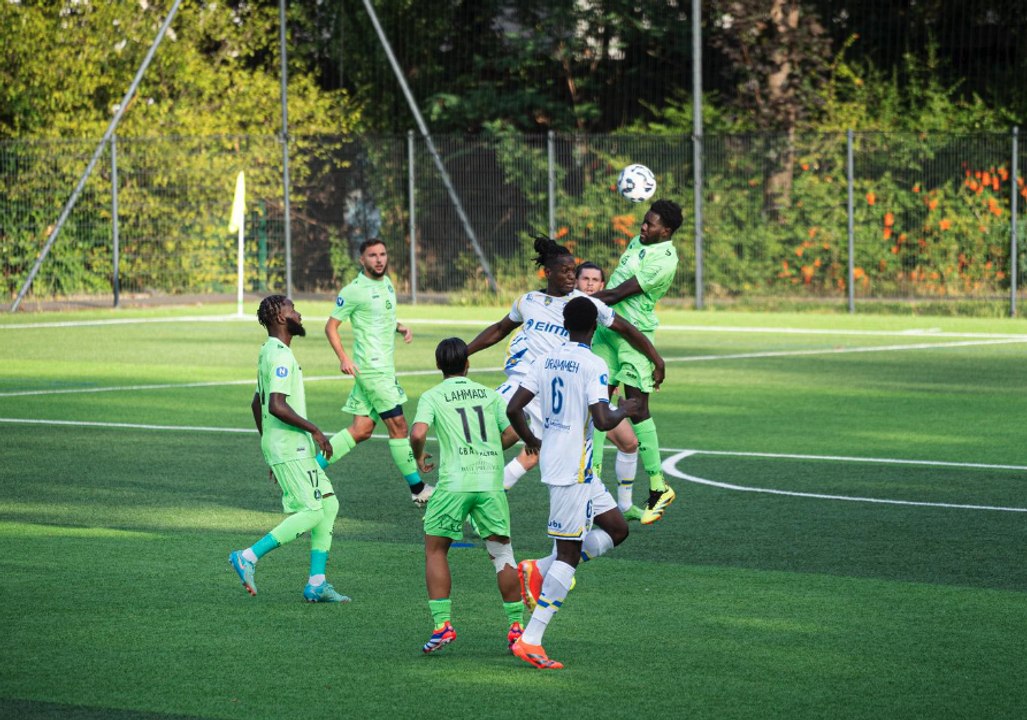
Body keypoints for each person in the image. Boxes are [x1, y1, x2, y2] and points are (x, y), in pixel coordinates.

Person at [466, 236, 664, 495]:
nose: (572, 276)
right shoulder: (528, 301)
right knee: (505, 431)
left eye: (574, 270)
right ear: (548, 272)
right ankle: (467, 485)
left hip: (564, 394)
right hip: (525, 383)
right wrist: (465, 352)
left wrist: (656, 359)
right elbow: (499, 329)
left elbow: (626, 328)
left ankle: (613, 504)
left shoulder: (585, 304)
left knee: (622, 442)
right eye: (565, 271)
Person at [506, 297, 641, 670]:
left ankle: (540, 568)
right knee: (569, 554)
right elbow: (601, 420)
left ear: (565, 324)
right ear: (594, 328)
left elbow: (513, 408)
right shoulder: (593, 363)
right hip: (572, 471)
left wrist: (531, 440)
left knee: (616, 528)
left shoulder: (544, 359)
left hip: (570, 465)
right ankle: (531, 640)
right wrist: (625, 410)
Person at [229, 295, 350, 603]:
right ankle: (248, 556)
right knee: (310, 512)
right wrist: (315, 430)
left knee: (329, 504)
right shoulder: (280, 356)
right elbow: (276, 405)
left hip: (287, 447)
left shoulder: (269, 351)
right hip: (291, 447)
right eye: (292, 309)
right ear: (281, 318)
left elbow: (256, 403)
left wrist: (269, 446)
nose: (298, 314)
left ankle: (317, 583)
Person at [409, 338, 525, 654]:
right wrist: (491, 449)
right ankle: (517, 631)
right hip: (489, 482)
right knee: (502, 555)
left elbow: (418, 433)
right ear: (467, 364)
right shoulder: (489, 395)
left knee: (436, 550)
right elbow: (514, 430)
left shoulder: (432, 395)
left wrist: (419, 458)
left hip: (454, 485)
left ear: (438, 366)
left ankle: (442, 626)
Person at [319, 238, 433, 507]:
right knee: (399, 427)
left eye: (382, 254)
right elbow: (330, 326)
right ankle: (418, 489)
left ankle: (309, 470)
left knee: (361, 430)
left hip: (381, 368)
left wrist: (400, 326)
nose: (379, 259)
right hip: (372, 369)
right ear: (362, 260)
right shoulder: (354, 290)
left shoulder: (388, 282)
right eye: (372, 255)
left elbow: (382, 316)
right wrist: (343, 358)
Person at [592, 199, 683, 525]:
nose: (643, 227)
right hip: (606, 332)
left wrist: (576, 301)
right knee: (597, 399)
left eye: (650, 224)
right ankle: (593, 475)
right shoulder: (639, 241)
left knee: (637, 406)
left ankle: (659, 486)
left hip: (634, 337)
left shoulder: (665, 261)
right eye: (644, 221)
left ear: (666, 231)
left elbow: (618, 294)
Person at [575, 261, 642, 521]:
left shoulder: (603, 312)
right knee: (530, 456)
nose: (590, 284)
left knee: (629, 443)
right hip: (574, 400)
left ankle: (624, 505)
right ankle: (487, 499)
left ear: (603, 286)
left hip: (598, 395)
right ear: (576, 282)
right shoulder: (570, 309)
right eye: (585, 279)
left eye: (595, 280)